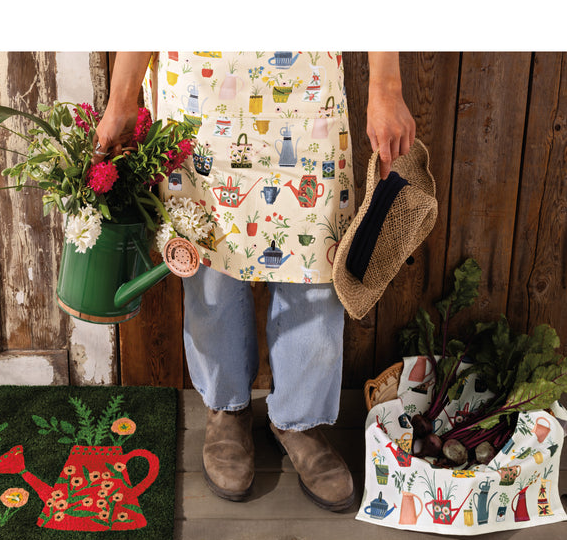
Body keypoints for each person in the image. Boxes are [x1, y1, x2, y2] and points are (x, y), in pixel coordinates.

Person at [93, 51, 415, 510]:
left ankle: (299, 420)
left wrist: (386, 88)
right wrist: (122, 99)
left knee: (316, 259)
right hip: (200, 84)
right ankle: (226, 408)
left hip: (307, 88)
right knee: (207, 260)